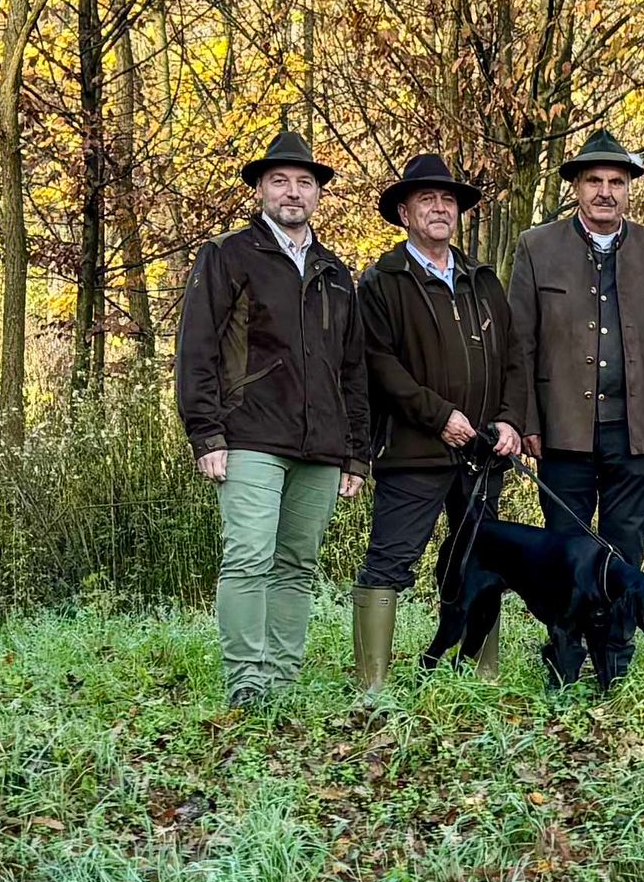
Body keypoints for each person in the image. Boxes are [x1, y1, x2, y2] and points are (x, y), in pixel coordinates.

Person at [175, 125, 368, 709]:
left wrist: (356, 452)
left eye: (304, 182)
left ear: (317, 194)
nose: (292, 192)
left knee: (296, 565)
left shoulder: (336, 272)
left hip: (322, 446)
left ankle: (282, 683)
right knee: (249, 558)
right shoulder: (228, 256)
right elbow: (196, 348)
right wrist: (206, 432)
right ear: (260, 190)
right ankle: (247, 683)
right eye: (279, 180)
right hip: (249, 435)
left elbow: (353, 368)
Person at [505, 127, 644, 686]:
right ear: (576, 187)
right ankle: (566, 654)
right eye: (594, 181)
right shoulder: (537, 247)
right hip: (562, 429)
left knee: (625, 550)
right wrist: (526, 420)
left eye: (616, 182)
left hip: (635, 431)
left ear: (629, 188)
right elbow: (519, 344)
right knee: (570, 551)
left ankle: (616, 657)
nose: (606, 192)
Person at [352, 150, 522, 689]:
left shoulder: (482, 279)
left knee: (482, 561)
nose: (440, 208)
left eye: (448, 199)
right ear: (405, 213)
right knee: (390, 560)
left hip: (482, 453)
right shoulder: (382, 281)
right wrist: (439, 415)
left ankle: (481, 675)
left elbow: (514, 358)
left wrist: (509, 420)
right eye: (427, 199)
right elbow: (379, 364)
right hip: (413, 451)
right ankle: (373, 687)